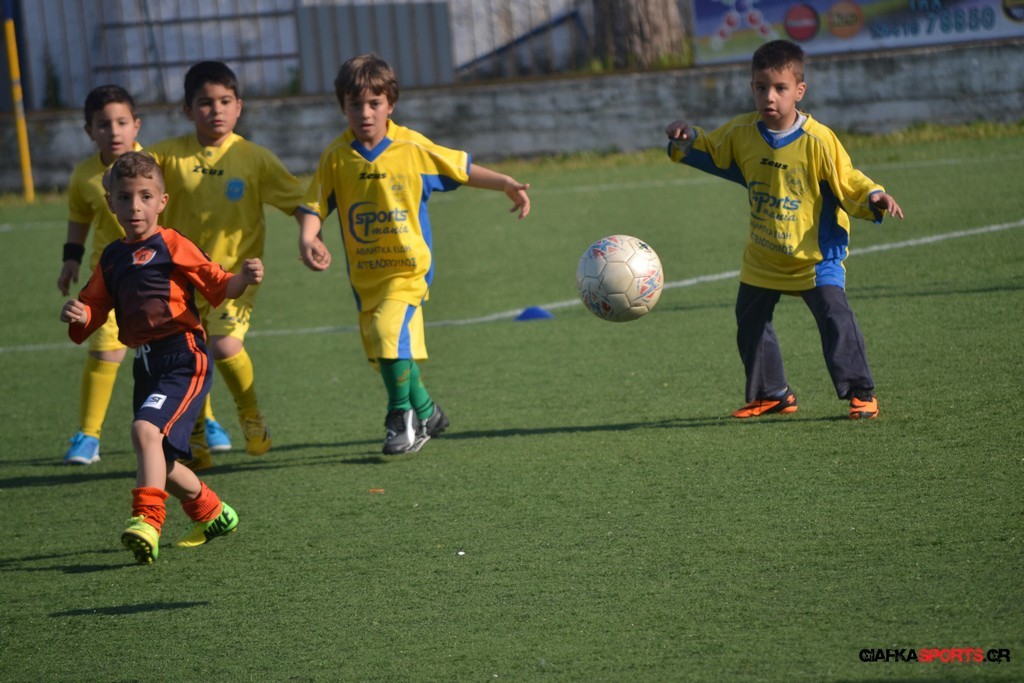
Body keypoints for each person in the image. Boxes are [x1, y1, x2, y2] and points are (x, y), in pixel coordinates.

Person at [297, 53, 531, 454]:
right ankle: (428, 411)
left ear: (390, 103)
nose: (365, 113)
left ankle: (401, 418)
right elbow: (314, 204)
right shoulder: (336, 157)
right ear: (342, 106)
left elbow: (461, 168)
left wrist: (505, 183)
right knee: (385, 355)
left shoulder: (411, 147)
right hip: (365, 278)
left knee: (388, 336)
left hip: (409, 272)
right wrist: (308, 237)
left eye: (374, 103)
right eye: (355, 104)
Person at [664, 39, 903, 420]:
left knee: (835, 318)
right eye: (761, 87)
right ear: (752, 88)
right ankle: (771, 393)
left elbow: (849, 179)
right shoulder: (742, 131)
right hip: (764, 256)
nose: (769, 97)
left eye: (780, 88)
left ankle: (862, 392)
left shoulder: (818, 140)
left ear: (799, 91)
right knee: (750, 321)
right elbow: (710, 148)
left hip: (814, 258)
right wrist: (686, 138)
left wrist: (874, 195)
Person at [60, 152, 261, 564]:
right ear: (110, 202)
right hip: (146, 364)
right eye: (125, 197)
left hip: (184, 356)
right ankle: (213, 513)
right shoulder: (112, 258)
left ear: (162, 202)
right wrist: (80, 316)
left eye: (145, 196)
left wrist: (244, 278)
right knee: (160, 461)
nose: (135, 206)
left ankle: (147, 521)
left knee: (144, 432)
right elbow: (93, 309)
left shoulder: (172, 244)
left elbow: (218, 284)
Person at [147, 60, 310, 468]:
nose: (215, 110)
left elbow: (301, 202)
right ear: (188, 110)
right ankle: (195, 436)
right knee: (187, 357)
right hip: (177, 282)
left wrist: (310, 237)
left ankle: (250, 414)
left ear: (239, 106)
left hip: (235, 277)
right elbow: (130, 177)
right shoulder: (165, 156)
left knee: (223, 345)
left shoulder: (254, 158)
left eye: (225, 101)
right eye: (205, 102)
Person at [57, 85, 142, 464]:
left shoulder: (155, 166)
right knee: (106, 351)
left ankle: (202, 423)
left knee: (175, 353)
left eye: (122, 122)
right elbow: (80, 216)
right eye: (104, 124)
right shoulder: (85, 175)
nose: (114, 131)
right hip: (108, 280)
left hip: (156, 278)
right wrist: (71, 259)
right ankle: (88, 436)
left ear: (137, 125)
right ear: (89, 130)